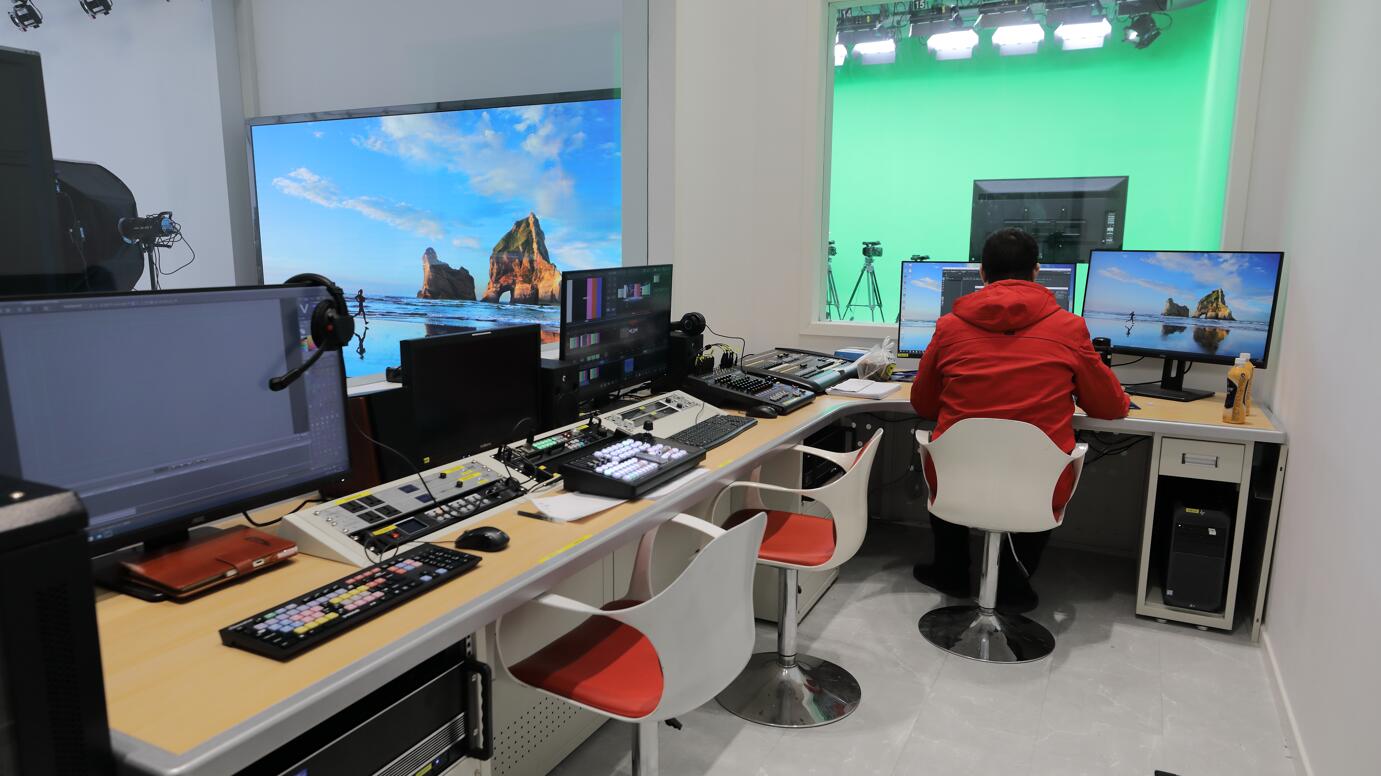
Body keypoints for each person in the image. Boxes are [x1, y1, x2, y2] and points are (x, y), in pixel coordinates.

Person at [910, 228, 1130, 612]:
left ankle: (951, 572)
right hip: (1037, 486)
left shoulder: (948, 327)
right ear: (1037, 271)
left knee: (947, 454)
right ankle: (1013, 583)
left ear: (982, 273)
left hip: (956, 479)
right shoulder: (1070, 328)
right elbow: (1109, 408)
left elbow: (923, 404)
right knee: (1038, 471)